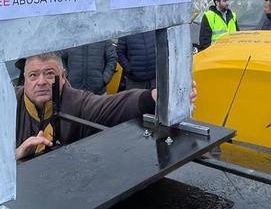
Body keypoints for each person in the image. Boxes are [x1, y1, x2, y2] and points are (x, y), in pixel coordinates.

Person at [14, 52, 196, 159]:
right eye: (33, 75)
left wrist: (156, 96)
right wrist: (16, 156)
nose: (41, 81)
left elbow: (114, 105)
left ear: (63, 77)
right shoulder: (7, 104)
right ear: (24, 79)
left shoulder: (78, 102)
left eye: (49, 74)